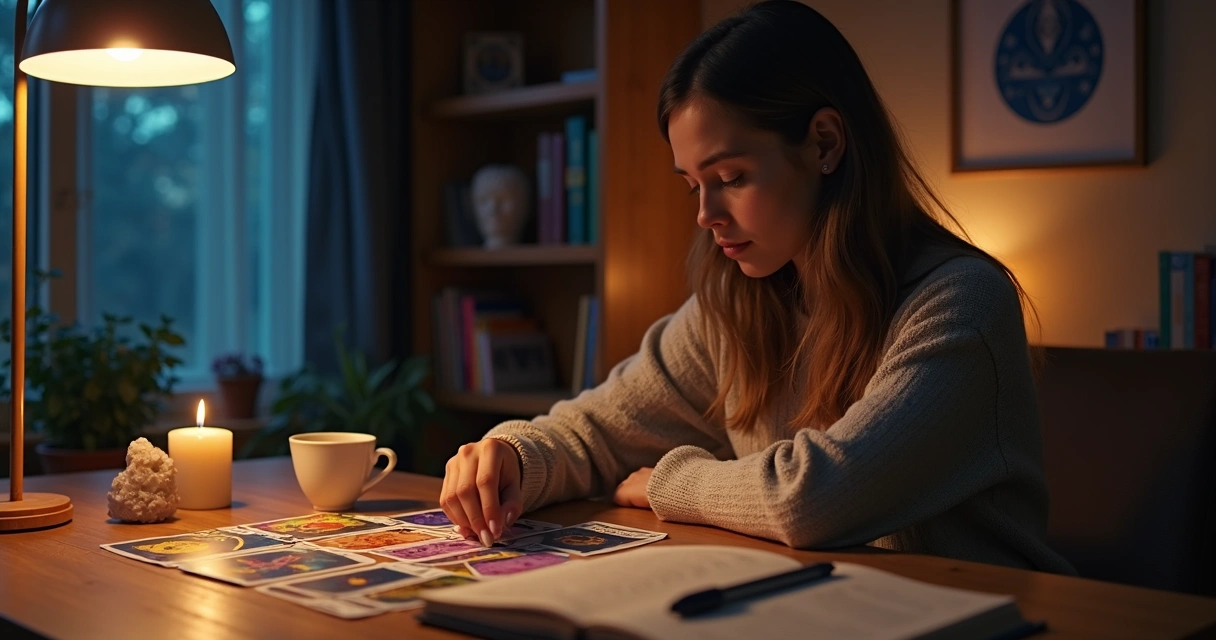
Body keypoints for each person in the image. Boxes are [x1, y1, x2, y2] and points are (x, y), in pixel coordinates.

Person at [440, 0, 1074, 573]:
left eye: (732, 176)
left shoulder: (961, 301)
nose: (705, 214)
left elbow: (818, 497)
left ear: (824, 143)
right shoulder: (739, 300)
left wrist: (673, 480)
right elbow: (599, 431)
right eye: (693, 184)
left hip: (988, 615)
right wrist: (512, 454)